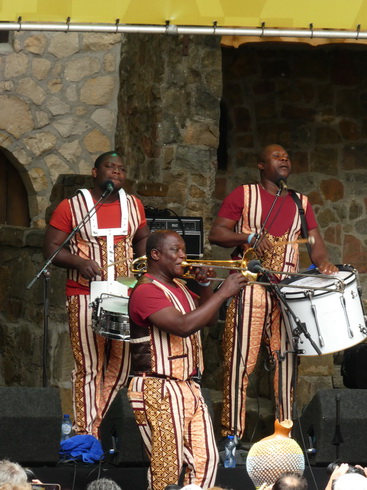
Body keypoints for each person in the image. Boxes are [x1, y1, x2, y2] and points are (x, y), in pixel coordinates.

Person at [208, 144, 338, 442]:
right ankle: (233, 436)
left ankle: (284, 435)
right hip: (249, 288)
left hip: (286, 293)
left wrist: (325, 264)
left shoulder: (300, 202)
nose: (284, 159)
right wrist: (249, 236)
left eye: (287, 157)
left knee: (286, 363)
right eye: (277, 156)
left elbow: (315, 243)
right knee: (239, 363)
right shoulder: (244, 194)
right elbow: (217, 234)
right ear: (261, 165)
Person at [127, 230, 248, 490]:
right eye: (176, 250)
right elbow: (182, 326)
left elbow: (209, 319)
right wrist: (223, 293)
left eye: (183, 250)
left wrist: (205, 289)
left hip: (189, 386)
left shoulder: (180, 287)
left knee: (207, 460)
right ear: (155, 255)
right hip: (157, 388)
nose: (183, 255)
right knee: (167, 468)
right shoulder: (146, 291)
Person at [43, 150, 150, 438]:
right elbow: (52, 248)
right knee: (89, 364)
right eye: (109, 167)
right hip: (83, 294)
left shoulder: (134, 205)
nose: (116, 172)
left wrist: (142, 275)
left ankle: (94, 426)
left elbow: (142, 238)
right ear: (95, 172)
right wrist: (79, 262)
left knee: (122, 363)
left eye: (121, 169)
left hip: (125, 293)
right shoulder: (72, 206)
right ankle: (85, 433)